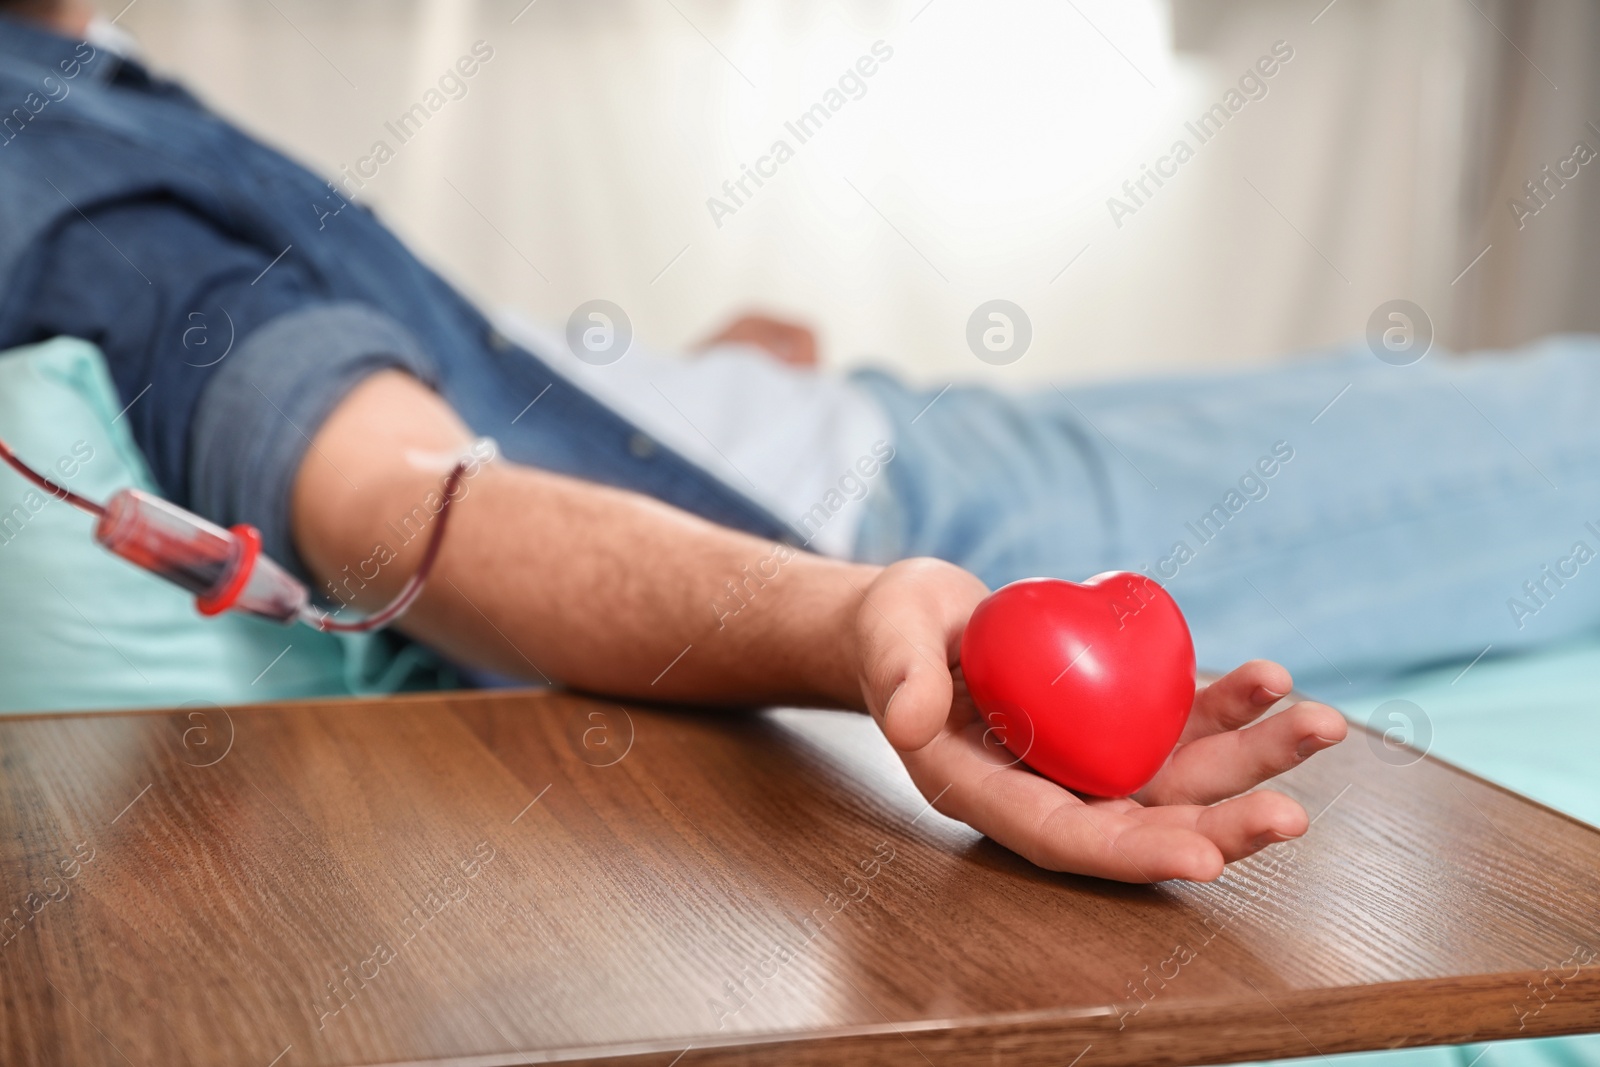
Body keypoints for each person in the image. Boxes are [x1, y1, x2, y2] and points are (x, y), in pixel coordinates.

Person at [1, 1, 1594, 892]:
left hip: (841, 430)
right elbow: (403, 509)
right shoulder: (39, 159)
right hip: (894, 507)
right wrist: (859, 618)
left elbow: (421, 385)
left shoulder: (74, 77)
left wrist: (662, 379)